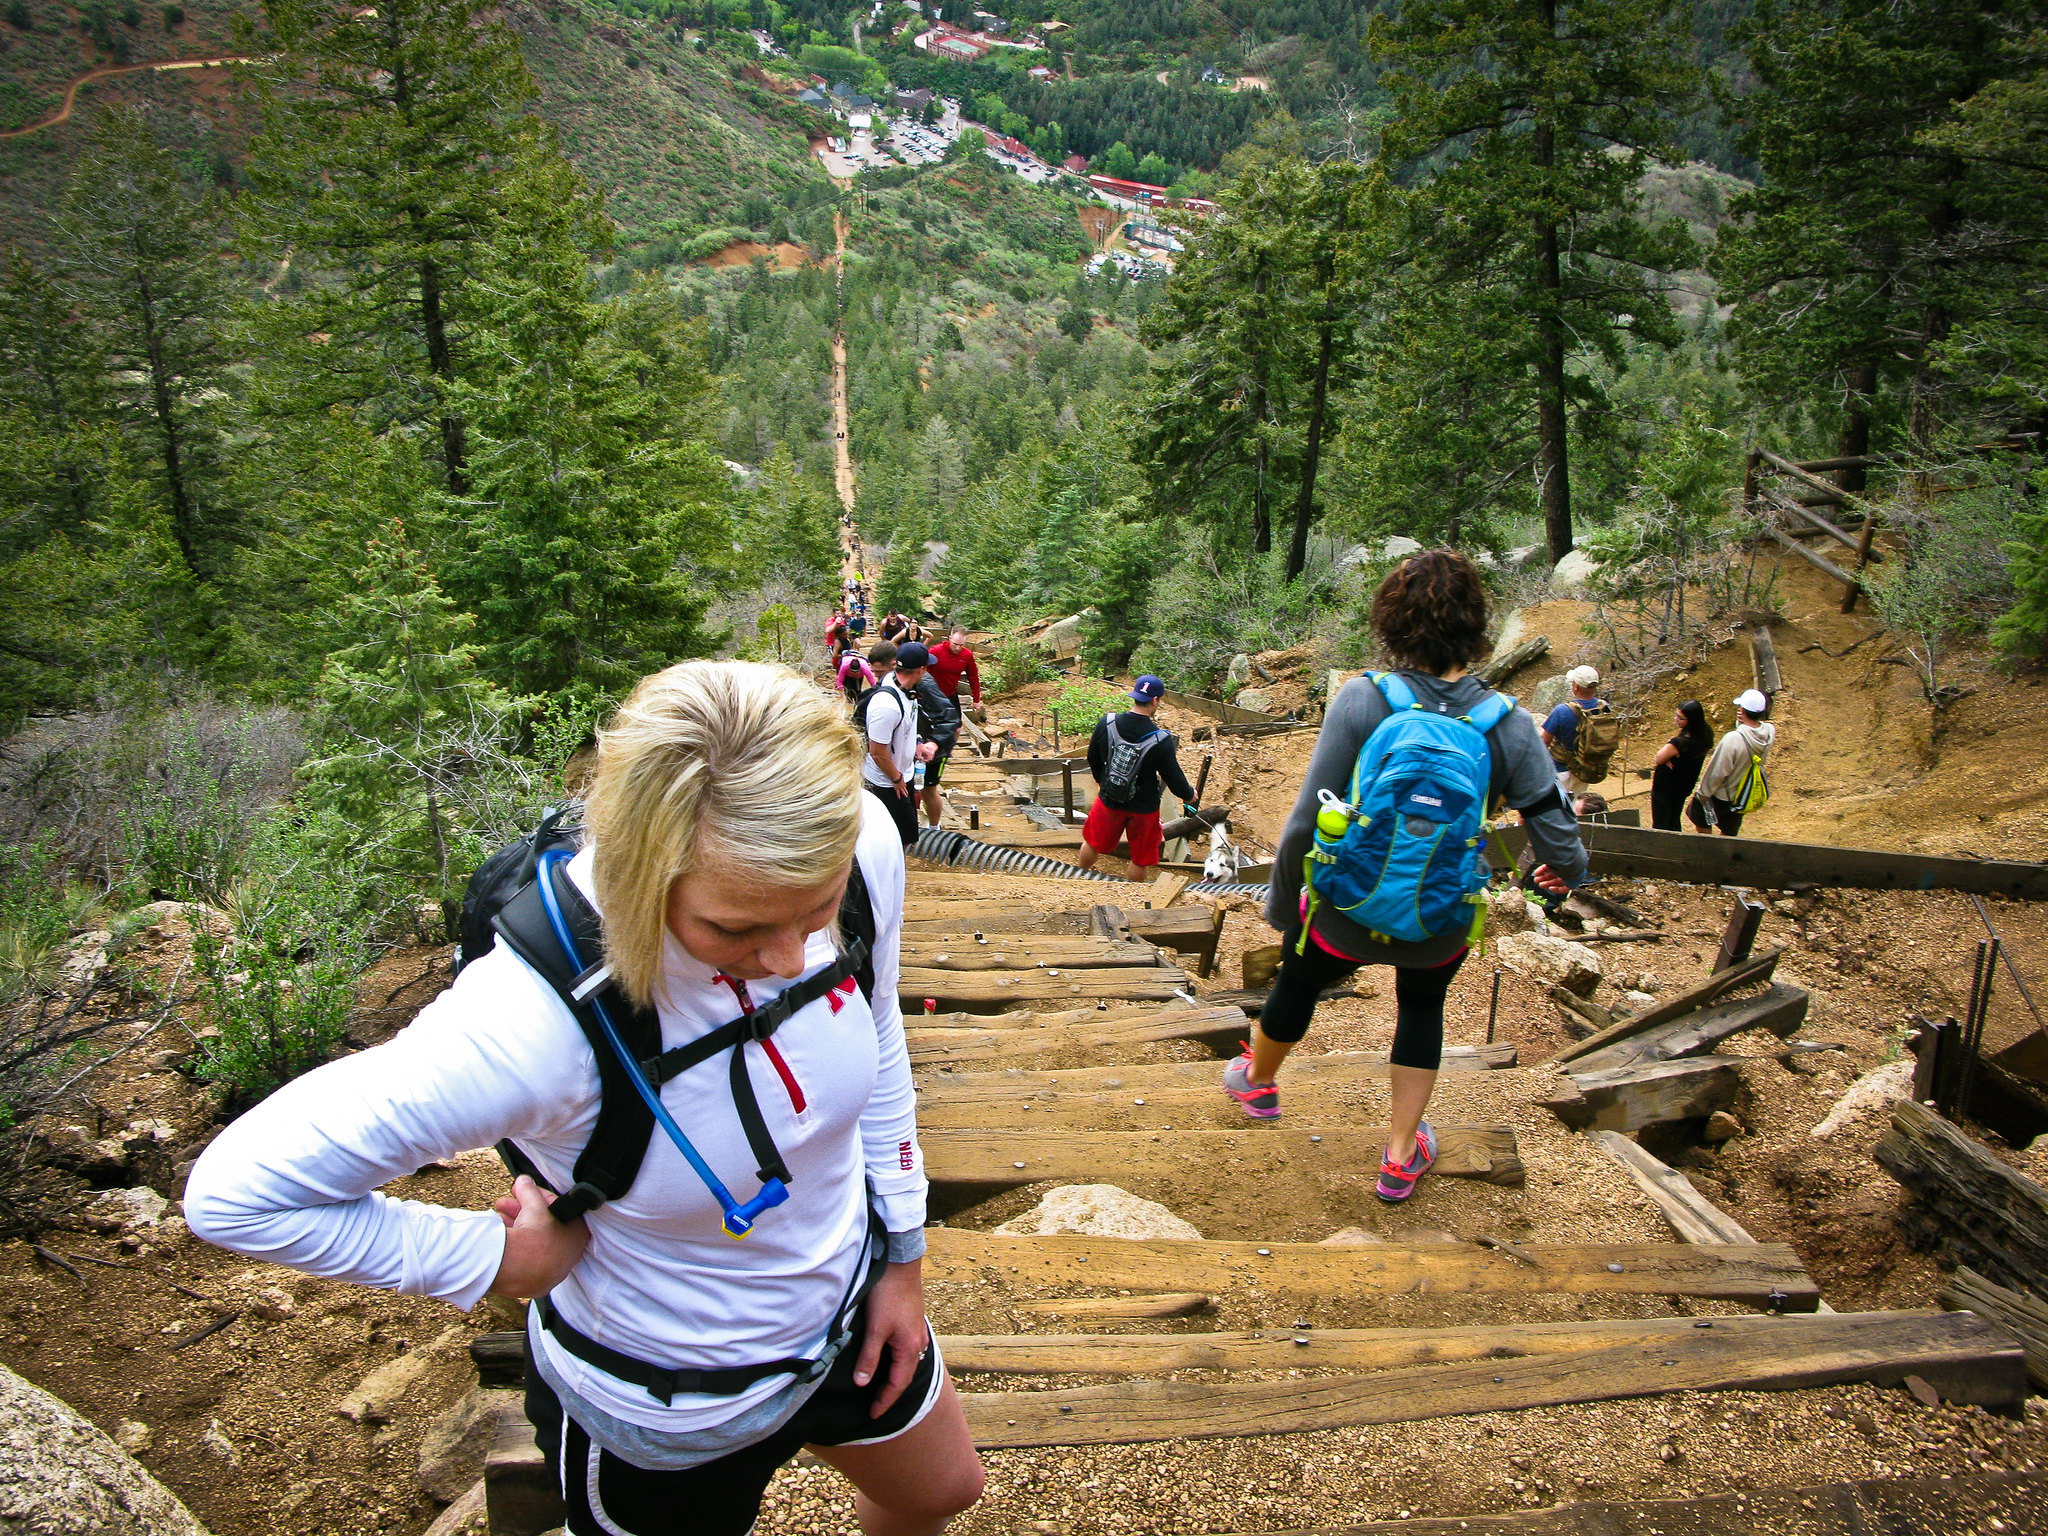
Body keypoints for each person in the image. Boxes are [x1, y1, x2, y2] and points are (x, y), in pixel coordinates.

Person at [183, 662, 984, 1536]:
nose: (792, 957)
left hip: (849, 1321)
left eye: (815, 912)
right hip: (661, 1405)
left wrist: (901, 1257)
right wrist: (490, 1261)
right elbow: (238, 1193)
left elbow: (877, 1028)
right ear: (642, 872)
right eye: (735, 928)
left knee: (944, 1491)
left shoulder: (860, 839)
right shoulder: (532, 1022)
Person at [1239, 551, 1588, 1201]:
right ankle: (1400, 1155)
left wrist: (1286, 913)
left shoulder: (1364, 699)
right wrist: (1570, 871)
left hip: (1345, 907)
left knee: (1301, 976)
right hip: (1438, 917)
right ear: (1477, 628)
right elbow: (1553, 824)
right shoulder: (1506, 723)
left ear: (1391, 623)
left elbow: (1300, 824)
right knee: (1422, 1007)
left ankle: (1258, 1083)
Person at [1076, 675, 1196, 875]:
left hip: (1109, 799)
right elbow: (1173, 778)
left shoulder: (1107, 722)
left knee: (1092, 843)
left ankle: (1078, 876)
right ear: (1156, 700)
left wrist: (1102, 782)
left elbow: (1092, 757)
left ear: (1135, 696)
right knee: (1140, 859)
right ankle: (1131, 894)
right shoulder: (1160, 739)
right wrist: (1189, 794)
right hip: (1144, 808)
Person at [860, 640, 936, 849]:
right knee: (892, 839)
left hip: (904, 773)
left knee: (906, 835)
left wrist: (917, 744)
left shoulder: (908, 691)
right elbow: (876, 751)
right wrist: (896, 777)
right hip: (885, 781)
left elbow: (907, 726)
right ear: (920, 670)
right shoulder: (887, 705)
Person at [1690, 689, 1775, 837]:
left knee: (1700, 817)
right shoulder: (1769, 732)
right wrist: (1741, 722)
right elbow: (1750, 734)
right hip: (1743, 793)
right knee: (1729, 829)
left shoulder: (1732, 739)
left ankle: (1707, 851)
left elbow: (1718, 771)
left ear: (1742, 710)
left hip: (1723, 794)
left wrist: (1703, 793)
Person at [1540, 666, 1619, 795]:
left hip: (1561, 770)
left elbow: (1544, 741)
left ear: (1575, 687)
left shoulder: (1562, 711)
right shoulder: (1604, 708)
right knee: (1575, 808)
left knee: (1555, 810)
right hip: (1586, 770)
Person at [1639, 700, 1711, 831]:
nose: (1676, 719)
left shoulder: (1680, 743)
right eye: (1676, 715)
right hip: (1683, 786)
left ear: (1692, 720)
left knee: (1661, 823)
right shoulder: (1705, 734)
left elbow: (1659, 758)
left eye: (1681, 718)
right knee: (1674, 819)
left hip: (1666, 788)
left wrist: (1669, 753)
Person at [909, 666, 961, 829]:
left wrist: (933, 744)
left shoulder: (926, 687)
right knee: (915, 788)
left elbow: (950, 720)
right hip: (917, 746)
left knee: (929, 789)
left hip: (936, 750)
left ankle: (934, 828)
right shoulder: (905, 686)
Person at [926, 628, 981, 711]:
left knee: (956, 721)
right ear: (950, 638)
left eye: (961, 645)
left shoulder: (967, 655)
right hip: (932, 694)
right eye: (955, 644)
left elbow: (973, 677)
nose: (958, 648)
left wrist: (976, 700)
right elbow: (921, 671)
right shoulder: (935, 651)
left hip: (951, 693)